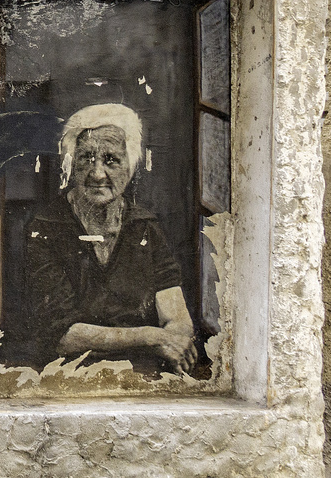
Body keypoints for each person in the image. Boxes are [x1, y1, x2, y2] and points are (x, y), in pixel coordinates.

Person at [18, 103, 198, 375]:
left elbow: (177, 319)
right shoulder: (46, 229)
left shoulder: (144, 227)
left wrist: (173, 340)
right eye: (87, 158)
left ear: (131, 165)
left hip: (143, 371)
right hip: (69, 376)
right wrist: (153, 337)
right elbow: (63, 336)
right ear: (71, 164)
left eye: (111, 160)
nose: (98, 174)